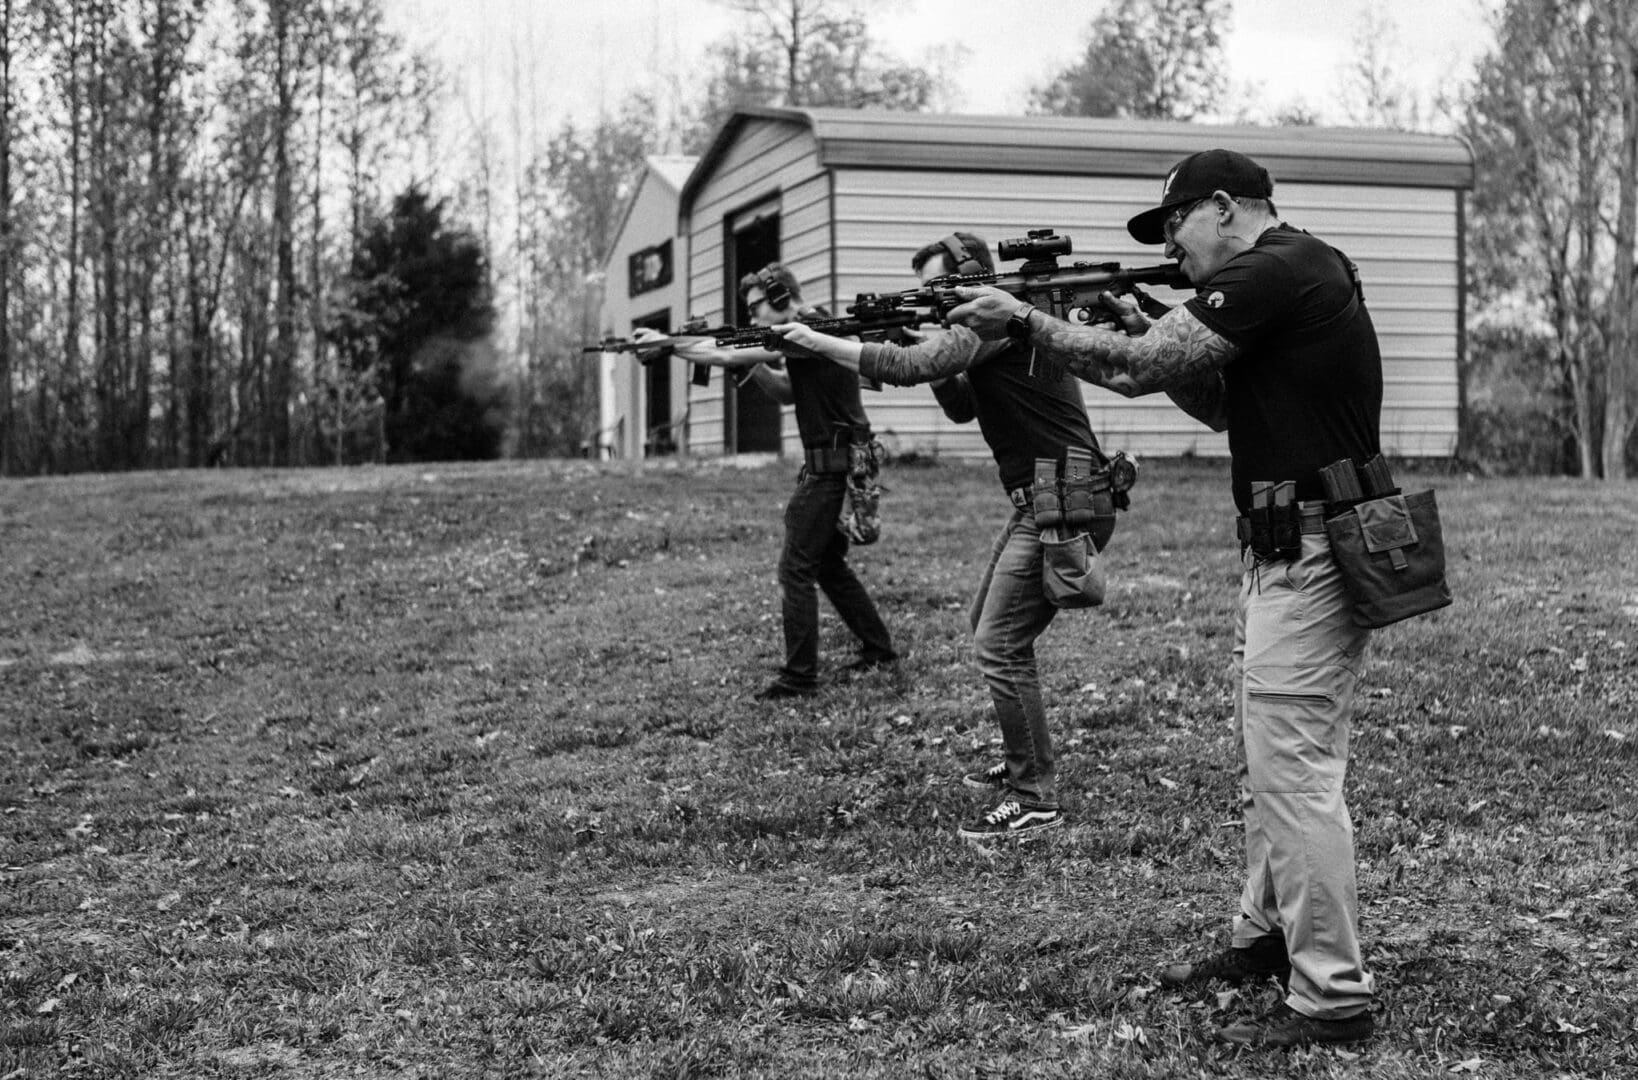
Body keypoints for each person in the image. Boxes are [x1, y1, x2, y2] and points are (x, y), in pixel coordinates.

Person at [944, 149, 1381, 1048]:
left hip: (1311, 553)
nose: (1171, 249)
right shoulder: (1286, 277)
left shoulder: (1277, 266)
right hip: (1288, 550)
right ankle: (1267, 938)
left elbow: (1142, 369)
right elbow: (1219, 402)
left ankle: (1333, 993)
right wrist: (1141, 325)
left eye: (1175, 225)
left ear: (1224, 208)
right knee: (1276, 766)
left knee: (1294, 777)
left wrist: (1029, 320)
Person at [770, 232, 1104, 843]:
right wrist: (912, 337)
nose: (933, 296)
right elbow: (958, 405)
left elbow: (911, 368)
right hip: (1045, 494)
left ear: (974, 275)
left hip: (1062, 494)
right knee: (989, 628)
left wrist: (819, 340)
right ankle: (1023, 755)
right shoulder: (989, 327)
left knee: (999, 645)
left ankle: (1034, 795)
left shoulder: (997, 317)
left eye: (941, 284)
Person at [663, 264, 898, 701]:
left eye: (756, 309)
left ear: (779, 294)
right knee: (826, 564)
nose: (752, 320)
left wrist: (671, 346)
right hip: (830, 462)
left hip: (833, 466)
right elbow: (789, 390)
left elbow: (727, 354)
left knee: (796, 570)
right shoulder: (806, 334)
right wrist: (748, 366)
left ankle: (800, 677)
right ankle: (879, 649)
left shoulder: (809, 328)